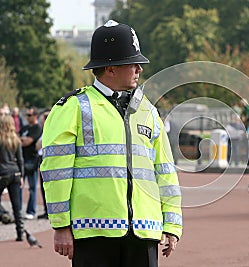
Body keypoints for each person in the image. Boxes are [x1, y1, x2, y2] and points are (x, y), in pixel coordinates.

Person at [40, 20, 182, 267]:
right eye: (132, 62)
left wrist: (171, 224)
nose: (139, 68)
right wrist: (61, 225)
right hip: (93, 234)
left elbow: (165, 171)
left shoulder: (148, 111)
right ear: (111, 68)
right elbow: (56, 170)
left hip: (144, 232)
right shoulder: (72, 108)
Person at [0, 115, 25, 241]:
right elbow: (20, 160)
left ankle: (3, 215)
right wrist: (21, 175)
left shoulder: (0, 139)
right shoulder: (16, 140)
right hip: (15, 172)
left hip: (2, 173)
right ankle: (20, 232)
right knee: (17, 205)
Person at [20, 107, 42, 220]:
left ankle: (31, 211)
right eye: (27, 115)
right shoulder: (24, 128)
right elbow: (18, 141)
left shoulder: (37, 129)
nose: (27, 117)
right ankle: (18, 211)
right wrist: (23, 140)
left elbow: (28, 141)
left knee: (32, 188)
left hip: (32, 160)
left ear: (35, 116)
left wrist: (24, 140)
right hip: (22, 159)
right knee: (19, 186)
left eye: (29, 115)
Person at [35, 109, 51, 219]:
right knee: (42, 186)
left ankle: (50, 212)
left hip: (49, 159)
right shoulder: (43, 131)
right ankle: (46, 210)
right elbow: (37, 146)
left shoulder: (51, 131)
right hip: (41, 159)